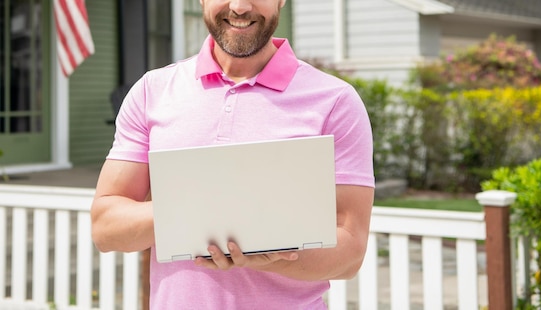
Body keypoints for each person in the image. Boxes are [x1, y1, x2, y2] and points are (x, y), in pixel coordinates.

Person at [90, 0, 375, 308]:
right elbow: (107, 228)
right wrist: (207, 210)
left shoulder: (336, 102)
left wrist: (262, 255)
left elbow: (350, 255)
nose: (239, 7)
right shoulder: (153, 91)